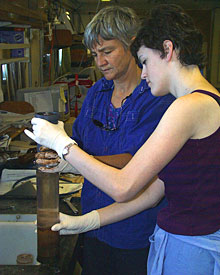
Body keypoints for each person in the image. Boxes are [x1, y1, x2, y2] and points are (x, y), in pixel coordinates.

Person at [25, 4, 220, 274]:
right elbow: (151, 194)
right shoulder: (196, 104)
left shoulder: (189, 105)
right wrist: (87, 222)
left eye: (145, 61)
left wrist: (64, 146)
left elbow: (124, 186)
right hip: (177, 243)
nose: (143, 73)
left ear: (167, 50)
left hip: (191, 250)